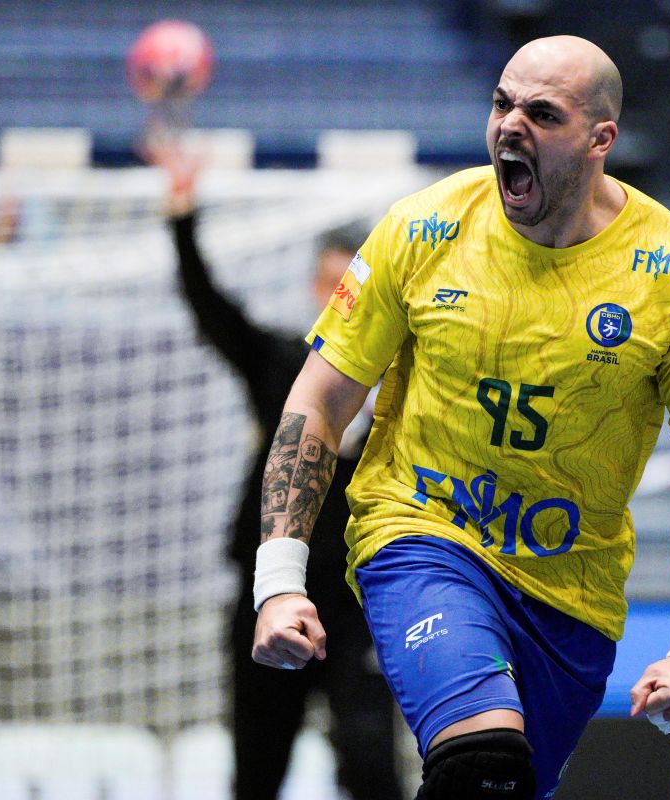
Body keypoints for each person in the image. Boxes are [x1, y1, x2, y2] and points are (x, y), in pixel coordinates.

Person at [252, 35, 670, 800]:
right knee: (481, 755)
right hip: (422, 535)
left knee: (502, 785)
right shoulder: (422, 230)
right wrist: (280, 579)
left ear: (600, 139)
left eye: (542, 112)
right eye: (501, 103)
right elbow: (320, 400)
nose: (510, 125)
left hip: (569, 596)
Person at [148, 140, 406, 800]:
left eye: (346, 286)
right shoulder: (280, 362)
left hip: (364, 596)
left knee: (371, 756)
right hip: (272, 586)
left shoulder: (407, 376)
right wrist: (181, 212)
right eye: (326, 283)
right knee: (259, 764)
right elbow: (209, 307)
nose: (335, 298)